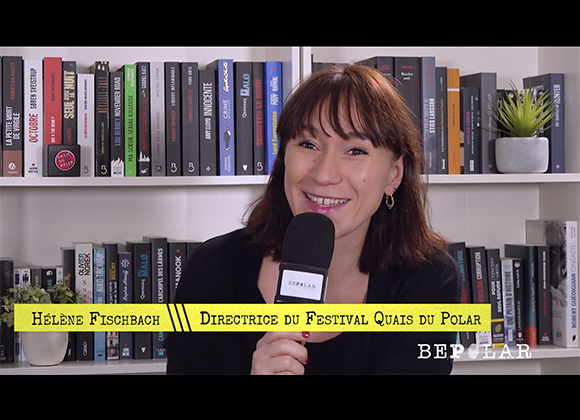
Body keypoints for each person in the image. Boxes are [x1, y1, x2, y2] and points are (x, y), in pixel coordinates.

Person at [165, 65, 462, 375]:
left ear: (394, 174)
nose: (323, 174)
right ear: (284, 157)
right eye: (308, 144)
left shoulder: (428, 279)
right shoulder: (213, 268)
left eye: (355, 150)